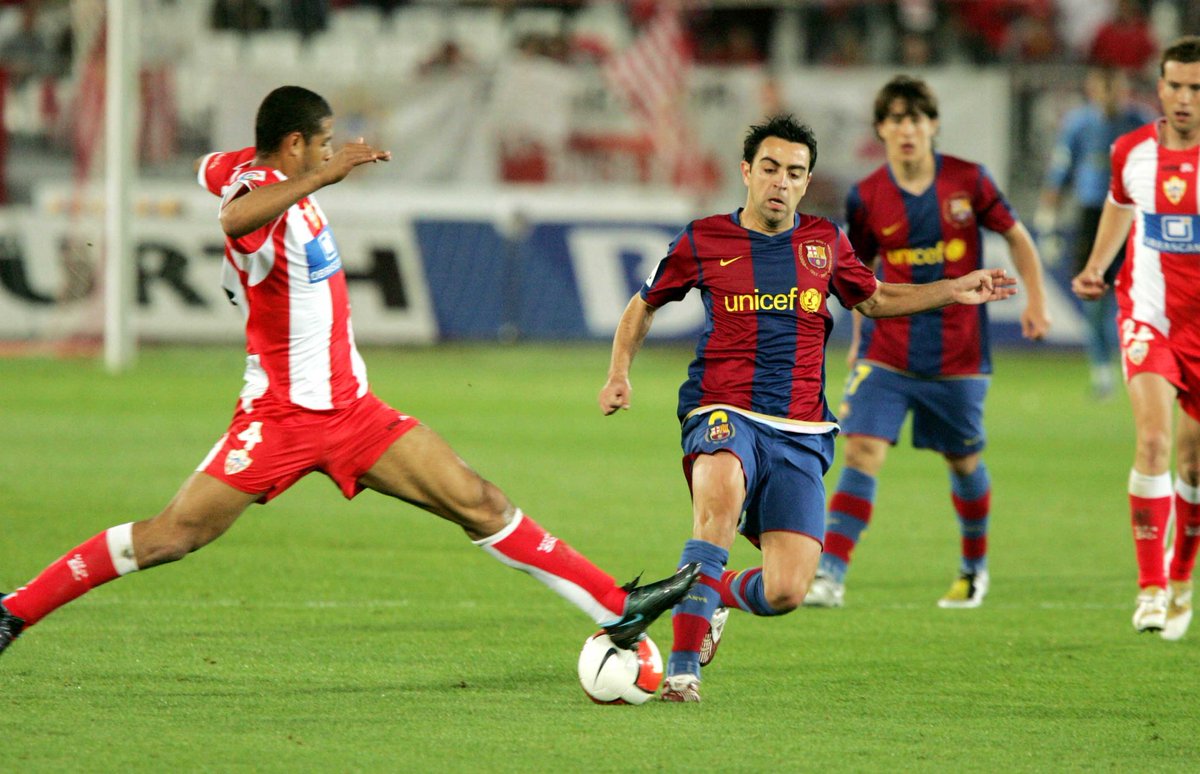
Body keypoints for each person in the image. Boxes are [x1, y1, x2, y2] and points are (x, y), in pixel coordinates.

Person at [0, 86, 699, 661]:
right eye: (325, 142)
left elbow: (208, 166)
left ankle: (616, 606)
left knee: (478, 500)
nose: (334, 153)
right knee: (172, 536)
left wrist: (280, 171)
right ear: (295, 146)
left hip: (353, 413)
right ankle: (16, 609)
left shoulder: (249, 166)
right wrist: (320, 177)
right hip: (280, 418)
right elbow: (234, 219)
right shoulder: (264, 192)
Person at [598, 114, 1019, 702]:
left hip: (800, 427)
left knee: (786, 591)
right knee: (718, 500)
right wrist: (619, 374)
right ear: (747, 172)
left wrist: (952, 289)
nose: (781, 182)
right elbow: (643, 304)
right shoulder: (702, 239)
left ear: (806, 181)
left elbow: (875, 299)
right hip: (721, 409)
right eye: (770, 168)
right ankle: (682, 672)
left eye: (794, 173)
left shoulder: (825, 242)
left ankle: (713, 592)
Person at [804, 75, 1050, 611]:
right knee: (862, 450)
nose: (907, 129)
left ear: (933, 125)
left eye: (916, 118)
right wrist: (857, 338)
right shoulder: (867, 195)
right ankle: (830, 574)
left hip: (958, 355)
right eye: (896, 119)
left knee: (963, 461)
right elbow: (860, 273)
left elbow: (1015, 234)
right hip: (886, 351)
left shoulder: (968, 180)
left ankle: (973, 567)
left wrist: (1036, 299)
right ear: (881, 129)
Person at [1072, 36, 1200, 641]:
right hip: (1148, 316)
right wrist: (1097, 266)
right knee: (1152, 441)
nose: (1184, 97)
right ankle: (1149, 588)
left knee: (1193, 466)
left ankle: (1180, 576)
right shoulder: (1132, 151)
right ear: (1160, 87)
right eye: (1176, 85)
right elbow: (1120, 205)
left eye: (1196, 88)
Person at [1039, 66, 1156, 399]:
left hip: (1136, 216)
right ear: (1092, 90)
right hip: (1092, 216)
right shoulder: (1078, 125)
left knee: (1138, 298)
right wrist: (1048, 224)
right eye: (1103, 89)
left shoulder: (1141, 123)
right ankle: (1102, 372)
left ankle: (1141, 367)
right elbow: (1058, 176)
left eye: (1115, 89)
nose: (1109, 97)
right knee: (1093, 297)